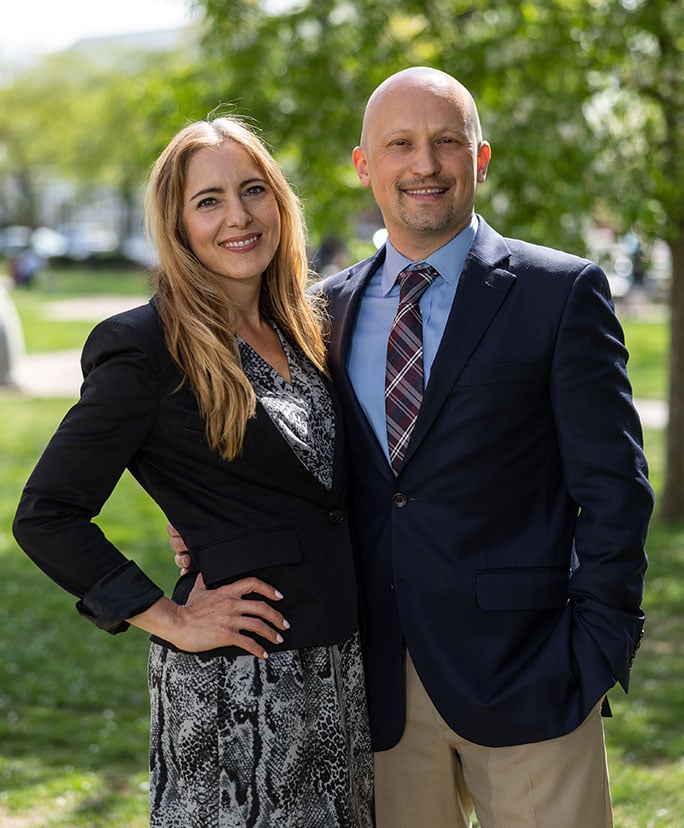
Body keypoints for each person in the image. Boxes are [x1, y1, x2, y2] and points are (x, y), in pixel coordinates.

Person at [171, 68, 655, 827]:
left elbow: (617, 489)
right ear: (366, 166)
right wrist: (208, 528)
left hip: (532, 674)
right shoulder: (320, 313)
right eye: (399, 144)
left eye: (445, 143)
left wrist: (597, 649)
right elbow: (305, 470)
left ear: (480, 158)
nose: (423, 165)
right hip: (376, 689)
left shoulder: (560, 293)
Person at [13, 116, 373, 828]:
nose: (237, 217)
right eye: (208, 201)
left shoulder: (308, 323)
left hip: (343, 675)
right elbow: (47, 513)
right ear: (177, 225)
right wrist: (171, 619)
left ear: (280, 203)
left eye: (252, 191)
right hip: (239, 691)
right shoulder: (144, 347)